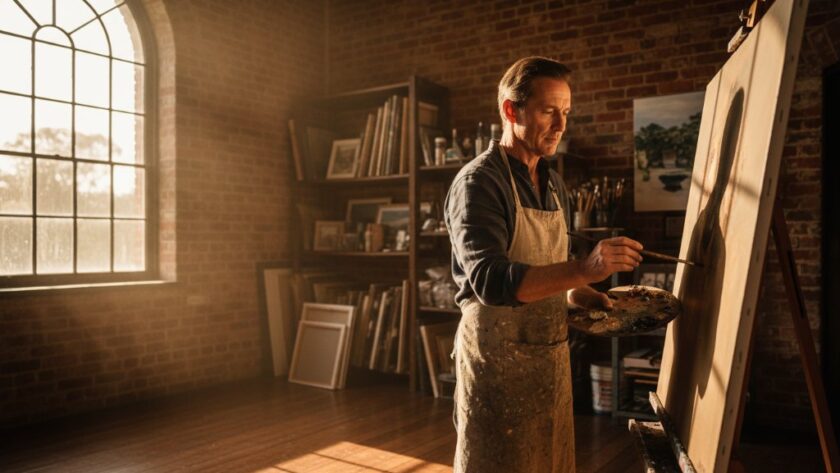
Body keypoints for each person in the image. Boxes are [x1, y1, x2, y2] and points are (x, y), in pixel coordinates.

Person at [445, 56, 644, 473]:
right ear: (510, 110)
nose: (561, 125)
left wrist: (578, 292)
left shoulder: (553, 183)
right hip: (496, 364)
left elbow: (546, 266)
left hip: (549, 361)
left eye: (566, 112)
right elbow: (491, 281)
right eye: (548, 111)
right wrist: (585, 268)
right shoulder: (479, 182)